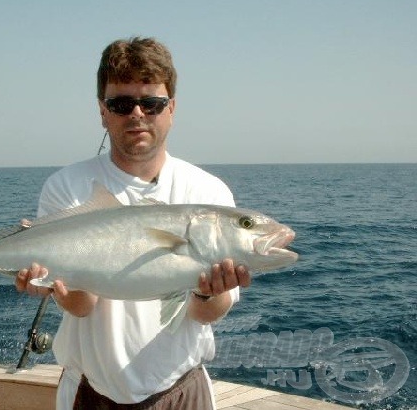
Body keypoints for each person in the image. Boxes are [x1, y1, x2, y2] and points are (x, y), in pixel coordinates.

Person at [16, 37, 251, 410]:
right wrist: (54, 285)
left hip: (182, 389)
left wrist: (209, 292)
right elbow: (81, 306)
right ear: (102, 111)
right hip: (89, 391)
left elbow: (205, 313)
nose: (137, 114)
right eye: (122, 104)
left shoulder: (207, 192)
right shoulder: (68, 187)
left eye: (152, 103)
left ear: (172, 108)